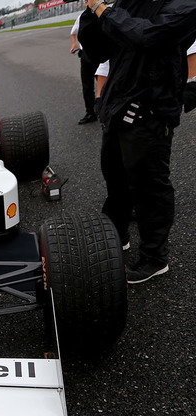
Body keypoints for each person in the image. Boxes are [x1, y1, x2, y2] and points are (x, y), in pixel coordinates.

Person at [79, 0, 196, 284]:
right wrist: (92, 13)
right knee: (115, 179)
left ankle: (155, 258)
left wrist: (102, 9)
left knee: (150, 187)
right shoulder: (127, 3)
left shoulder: (185, 5)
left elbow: (145, 35)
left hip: (152, 112)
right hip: (117, 108)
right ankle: (118, 237)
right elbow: (99, 49)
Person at [70, 12, 99, 124]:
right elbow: (73, 32)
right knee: (87, 86)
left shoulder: (103, 12)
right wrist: (74, 44)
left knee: (106, 85)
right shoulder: (82, 17)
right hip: (86, 55)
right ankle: (91, 113)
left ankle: (109, 112)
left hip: (101, 54)